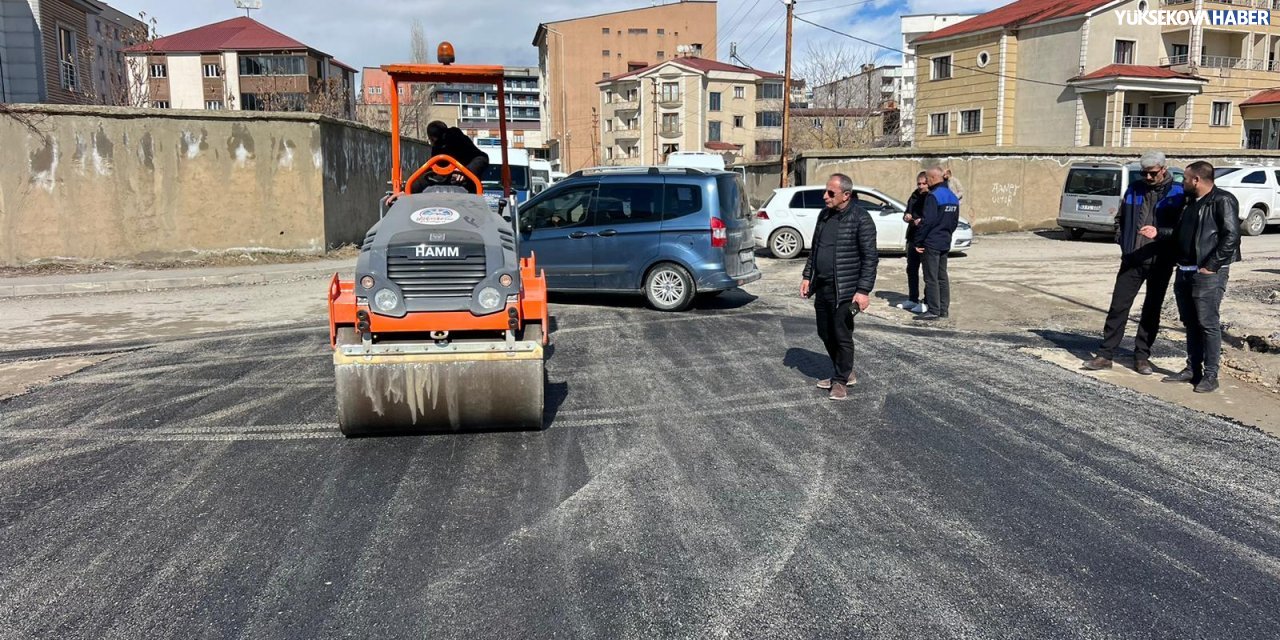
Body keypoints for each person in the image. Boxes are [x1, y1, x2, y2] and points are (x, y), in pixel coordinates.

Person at [1082, 151, 1186, 375]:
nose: (1148, 177)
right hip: (1132, 258)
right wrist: (1122, 240)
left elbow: (1183, 230)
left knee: (1151, 310)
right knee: (1118, 307)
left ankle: (1141, 357)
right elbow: (1119, 218)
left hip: (1161, 261)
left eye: (1152, 173)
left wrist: (1160, 234)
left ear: (1163, 170)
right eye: (1144, 173)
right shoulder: (1134, 189)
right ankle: (1105, 354)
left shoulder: (1177, 194)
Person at [1160, 161, 1242, 393]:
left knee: (1207, 323)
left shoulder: (1222, 200)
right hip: (1184, 270)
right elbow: (1181, 234)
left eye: (1185, 178)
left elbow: (1231, 236)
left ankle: (1210, 375)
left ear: (1196, 180)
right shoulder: (1190, 203)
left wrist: (1211, 266)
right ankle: (1192, 368)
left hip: (1207, 274)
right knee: (1191, 323)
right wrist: (1159, 233)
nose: (1183, 182)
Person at [800, 173, 878, 401]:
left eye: (830, 193)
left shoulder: (861, 219)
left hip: (846, 290)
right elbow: (814, 250)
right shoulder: (824, 216)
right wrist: (807, 276)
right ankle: (844, 370)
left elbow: (870, 258)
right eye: (825, 191)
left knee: (842, 334)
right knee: (824, 332)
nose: (825, 196)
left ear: (846, 195)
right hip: (823, 286)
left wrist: (863, 291)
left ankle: (841, 380)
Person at [914, 167, 959, 322]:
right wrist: (946, 234)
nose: (926, 182)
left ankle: (933, 310)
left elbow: (927, 222)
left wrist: (918, 241)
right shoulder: (952, 196)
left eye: (927, 179)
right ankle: (943, 309)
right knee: (942, 276)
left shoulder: (933, 197)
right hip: (945, 241)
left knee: (931, 277)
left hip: (931, 242)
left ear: (933, 178)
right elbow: (954, 222)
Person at [410, 120, 489, 194]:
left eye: (433, 140)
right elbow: (430, 171)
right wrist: (410, 188)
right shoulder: (437, 150)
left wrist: (465, 171)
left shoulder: (461, 143)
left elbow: (482, 158)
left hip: (466, 190)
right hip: (442, 189)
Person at [896, 171, 929, 313]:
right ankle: (912, 298)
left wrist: (921, 220)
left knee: (928, 272)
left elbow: (932, 218)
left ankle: (927, 301)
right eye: (919, 183)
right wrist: (906, 216)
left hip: (926, 239)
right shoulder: (914, 195)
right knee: (911, 269)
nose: (921, 186)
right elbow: (906, 212)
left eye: (924, 183)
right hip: (912, 237)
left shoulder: (931, 197)